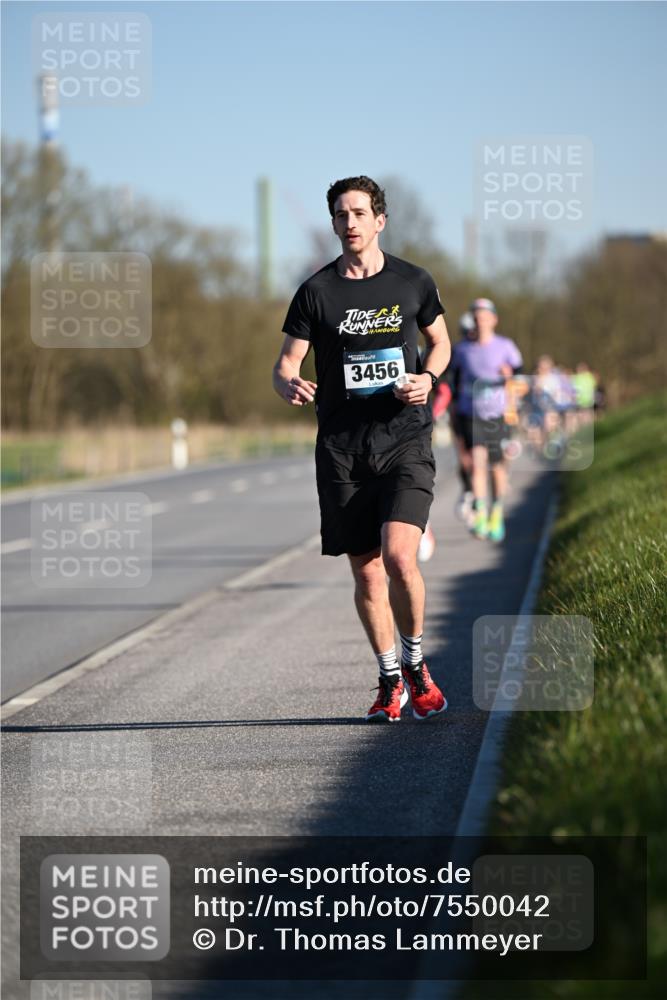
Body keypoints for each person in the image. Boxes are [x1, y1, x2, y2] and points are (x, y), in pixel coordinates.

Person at [273, 175, 450, 723]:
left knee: (400, 557)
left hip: (404, 438)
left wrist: (428, 377)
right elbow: (285, 365)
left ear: (379, 220)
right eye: (339, 215)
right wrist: (289, 383)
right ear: (334, 224)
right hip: (343, 449)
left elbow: (440, 342)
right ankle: (388, 676)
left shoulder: (412, 282)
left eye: (358, 213)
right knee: (367, 573)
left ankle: (417, 666)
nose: (348, 223)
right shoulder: (316, 292)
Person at [446, 298, 523, 543]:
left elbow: (520, 374)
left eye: (484, 317)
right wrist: (454, 408)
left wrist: (510, 376)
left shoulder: (505, 346)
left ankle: (496, 511)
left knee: (497, 467)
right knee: (477, 463)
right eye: (476, 317)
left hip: (497, 414)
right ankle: (480, 512)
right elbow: (453, 379)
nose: (480, 321)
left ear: (494, 319)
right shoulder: (462, 350)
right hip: (471, 413)